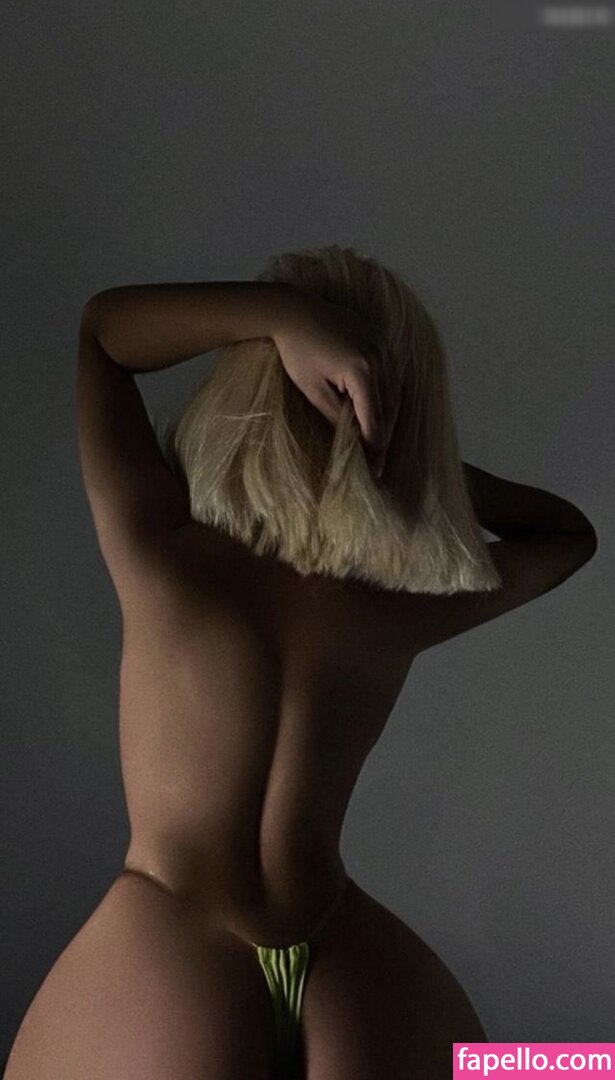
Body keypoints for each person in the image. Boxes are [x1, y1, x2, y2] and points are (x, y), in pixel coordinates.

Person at [5, 246, 597, 1080]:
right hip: (350, 962)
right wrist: (411, 461)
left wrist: (282, 318)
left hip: (171, 943)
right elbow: (568, 538)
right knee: (558, 1065)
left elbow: (105, 333)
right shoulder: (393, 605)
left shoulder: (164, 552)